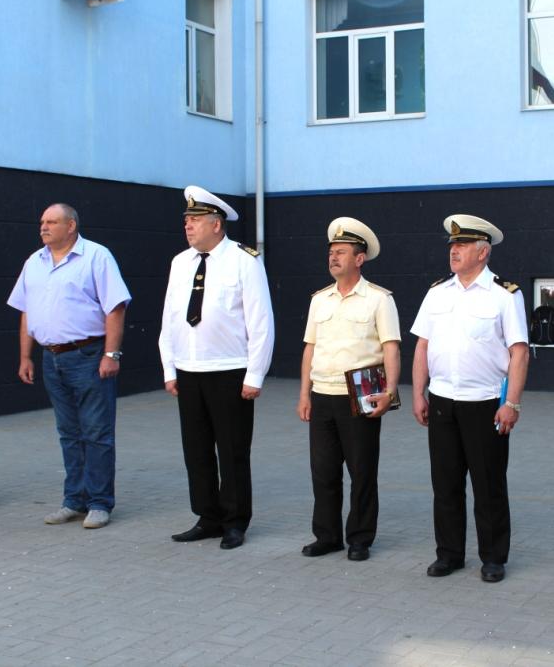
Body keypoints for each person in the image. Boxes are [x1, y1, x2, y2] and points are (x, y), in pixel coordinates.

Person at [410, 214, 530, 583]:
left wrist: (511, 403)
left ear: (483, 252)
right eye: (452, 245)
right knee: (445, 484)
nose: (454, 251)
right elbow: (422, 346)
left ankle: (493, 558)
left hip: (485, 403)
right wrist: (418, 393)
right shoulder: (437, 292)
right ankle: (449, 554)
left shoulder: (504, 295)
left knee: (488, 484)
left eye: (462, 245)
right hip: (442, 400)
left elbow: (519, 352)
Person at [161, 185, 274, 550]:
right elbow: (170, 318)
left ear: (216, 223)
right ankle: (207, 517)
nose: (188, 226)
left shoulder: (244, 260)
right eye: (186, 220)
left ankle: (235, 521)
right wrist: (169, 368)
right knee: (196, 450)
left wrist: (255, 374)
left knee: (232, 450)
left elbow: (261, 322)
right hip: (189, 369)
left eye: (195, 220)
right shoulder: (180, 262)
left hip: (230, 371)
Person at [7, 203, 131, 529]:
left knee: (96, 432)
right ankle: (74, 500)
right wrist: (25, 356)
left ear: (71, 225)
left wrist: (111, 354)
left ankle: (100, 503)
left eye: (51, 222)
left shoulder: (96, 257)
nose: (43, 227)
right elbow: (26, 311)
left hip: (88, 356)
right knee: (69, 433)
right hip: (52, 358)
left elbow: (115, 308)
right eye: (42, 222)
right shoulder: (34, 262)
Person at [297, 218, 401, 562]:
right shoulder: (319, 300)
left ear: (359, 258)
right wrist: (304, 394)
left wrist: (390, 392)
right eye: (331, 252)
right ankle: (327, 536)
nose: (333, 257)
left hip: (360, 395)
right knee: (323, 472)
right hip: (322, 394)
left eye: (341, 252)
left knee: (362, 472)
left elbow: (391, 348)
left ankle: (360, 538)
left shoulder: (379, 300)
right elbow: (310, 348)